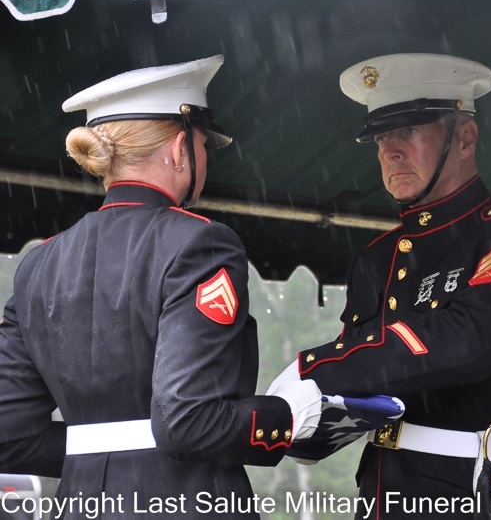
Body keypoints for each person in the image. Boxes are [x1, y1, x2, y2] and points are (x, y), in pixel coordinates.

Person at [0, 55, 321, 519]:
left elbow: (9, 434)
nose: (204, 157)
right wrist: (285, 417)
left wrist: (103, 452)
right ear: (179, 149)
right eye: (203, 144)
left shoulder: (39, 264)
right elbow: (188, 422)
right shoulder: (199, 243)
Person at [270, 53, 491, 519]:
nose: (389, 151)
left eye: (409, 131)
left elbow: (465, 342)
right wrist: (305, 426)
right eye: (380, 138)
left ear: (465, 138)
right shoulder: (375, 260)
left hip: (482, 487)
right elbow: (369, 387)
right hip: (383, 490)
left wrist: (317, 369)